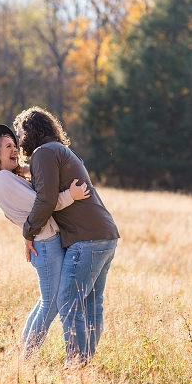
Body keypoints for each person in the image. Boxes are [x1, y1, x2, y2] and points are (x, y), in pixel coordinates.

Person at [13, 107, 120, 366]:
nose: (18, 142)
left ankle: (76, 365)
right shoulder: (56, 151)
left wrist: (28, 232)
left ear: (30, 131)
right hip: (105, 235)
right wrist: (23, 171)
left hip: (86, 240)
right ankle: (84, 364)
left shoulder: (43, 153)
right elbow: (47, 183)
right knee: (92, 305)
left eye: (19, 135)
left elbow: (46, 199)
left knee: (68, 301)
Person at [0, 124, 90, 358]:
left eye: (14, 145)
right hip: (46, 246)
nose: (15, 149)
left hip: (45, 243)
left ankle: (23, 350)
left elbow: (36, 189)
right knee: (51, 304)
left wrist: (25, 156)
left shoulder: (6, 177)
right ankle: (27, 357)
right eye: (8, 146)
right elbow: (42, 206)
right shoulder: (2, 181)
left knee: (46, 302)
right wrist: (71, 195)